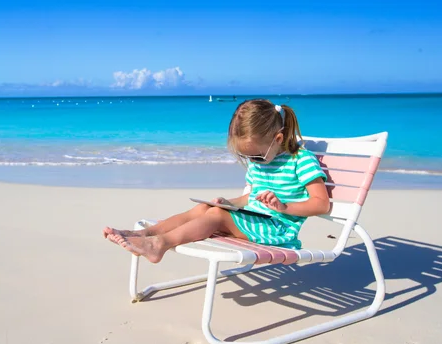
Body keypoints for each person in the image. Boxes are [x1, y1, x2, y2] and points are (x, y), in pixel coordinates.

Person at [103, 99, 330, 263]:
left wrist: (284, 206)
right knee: (207, 207)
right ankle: (147, 234)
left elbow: (321, 204)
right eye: (246, 157)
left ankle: (159, 244)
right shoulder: (260, 162)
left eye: (256, 156)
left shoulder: (301, 161)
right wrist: (229, 203)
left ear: (278, 139)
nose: (253, 161)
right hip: (255, 221)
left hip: (278, 230)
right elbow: (250, 198)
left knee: (216, 216)